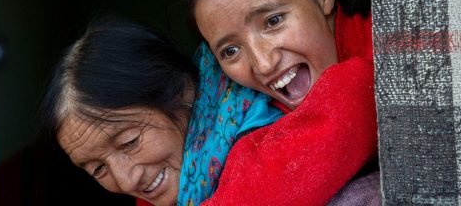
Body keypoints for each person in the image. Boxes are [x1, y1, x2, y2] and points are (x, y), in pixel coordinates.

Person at [183, 0, 379, 204]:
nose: (263, 64)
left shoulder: (389, 52)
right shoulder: (246, 115)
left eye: (273, 21)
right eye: (231, 51)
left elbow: (351, 100)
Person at [38, 18, 284, 206]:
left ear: (182, 91)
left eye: (129, 141)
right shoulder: (162, 194)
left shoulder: (275, 145)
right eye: (97, 168)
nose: (127, 181)